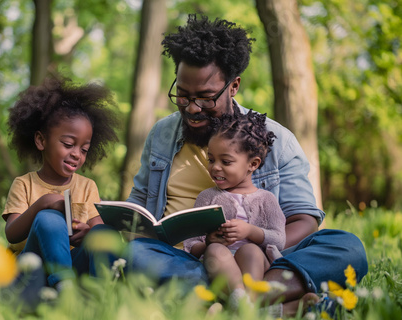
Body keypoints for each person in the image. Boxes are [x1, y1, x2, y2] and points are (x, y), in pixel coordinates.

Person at [125, 14, 367, 316]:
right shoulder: (161, 134)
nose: (192, 109)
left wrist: (251, 235)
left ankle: (234, 299)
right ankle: (277, 303)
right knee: (136, 253)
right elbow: (140, 204)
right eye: (183, 96)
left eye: (205, 97)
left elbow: (305, 221)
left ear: (233, 86)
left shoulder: (276, 138)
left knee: (347, 247)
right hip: (187, 259)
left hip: (263, 260)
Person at [2, 76, 119, 288]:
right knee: (49, 219)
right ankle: (64, 291)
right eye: (68, 144)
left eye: (84, 149)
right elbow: (11, 234)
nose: (76, 154)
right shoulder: (24, 184)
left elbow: (99, 231)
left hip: (75, 266)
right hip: (31, 270)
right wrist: (43, 203)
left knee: (106, 233)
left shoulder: (87, 186)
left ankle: (103, 292)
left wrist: (87, 233)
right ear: (41, 140)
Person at [183, 111, 286, 309]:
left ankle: (247, 301)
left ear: (252, 164)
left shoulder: (266, 199)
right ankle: (242, 302)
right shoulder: (207, 197)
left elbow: (279, 239)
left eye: (226, 162)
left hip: (255, 267)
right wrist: (209, 242)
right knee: (215, 250)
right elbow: (191, 245)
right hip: (218, 267)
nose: (215, 168)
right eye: (211, 160)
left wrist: (250, 231)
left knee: (250, 250)